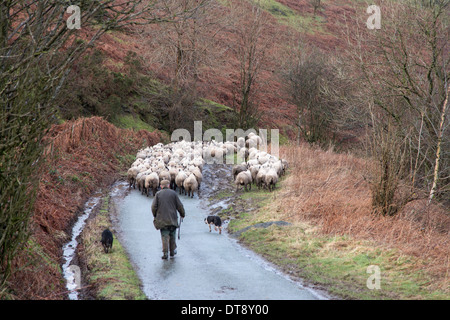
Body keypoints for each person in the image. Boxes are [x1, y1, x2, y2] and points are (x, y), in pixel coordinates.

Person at [151, 180, 185, 259]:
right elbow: (180, 206)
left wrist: (155, 215)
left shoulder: (158, 194)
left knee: (164, 236)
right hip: (172, 219)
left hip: (162, 220)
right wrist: (182, 214)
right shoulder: (174, 193)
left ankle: (165, 253)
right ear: (169, 185)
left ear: (161, 186)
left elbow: (153, 207)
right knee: (172, 235)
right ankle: (172, 252)